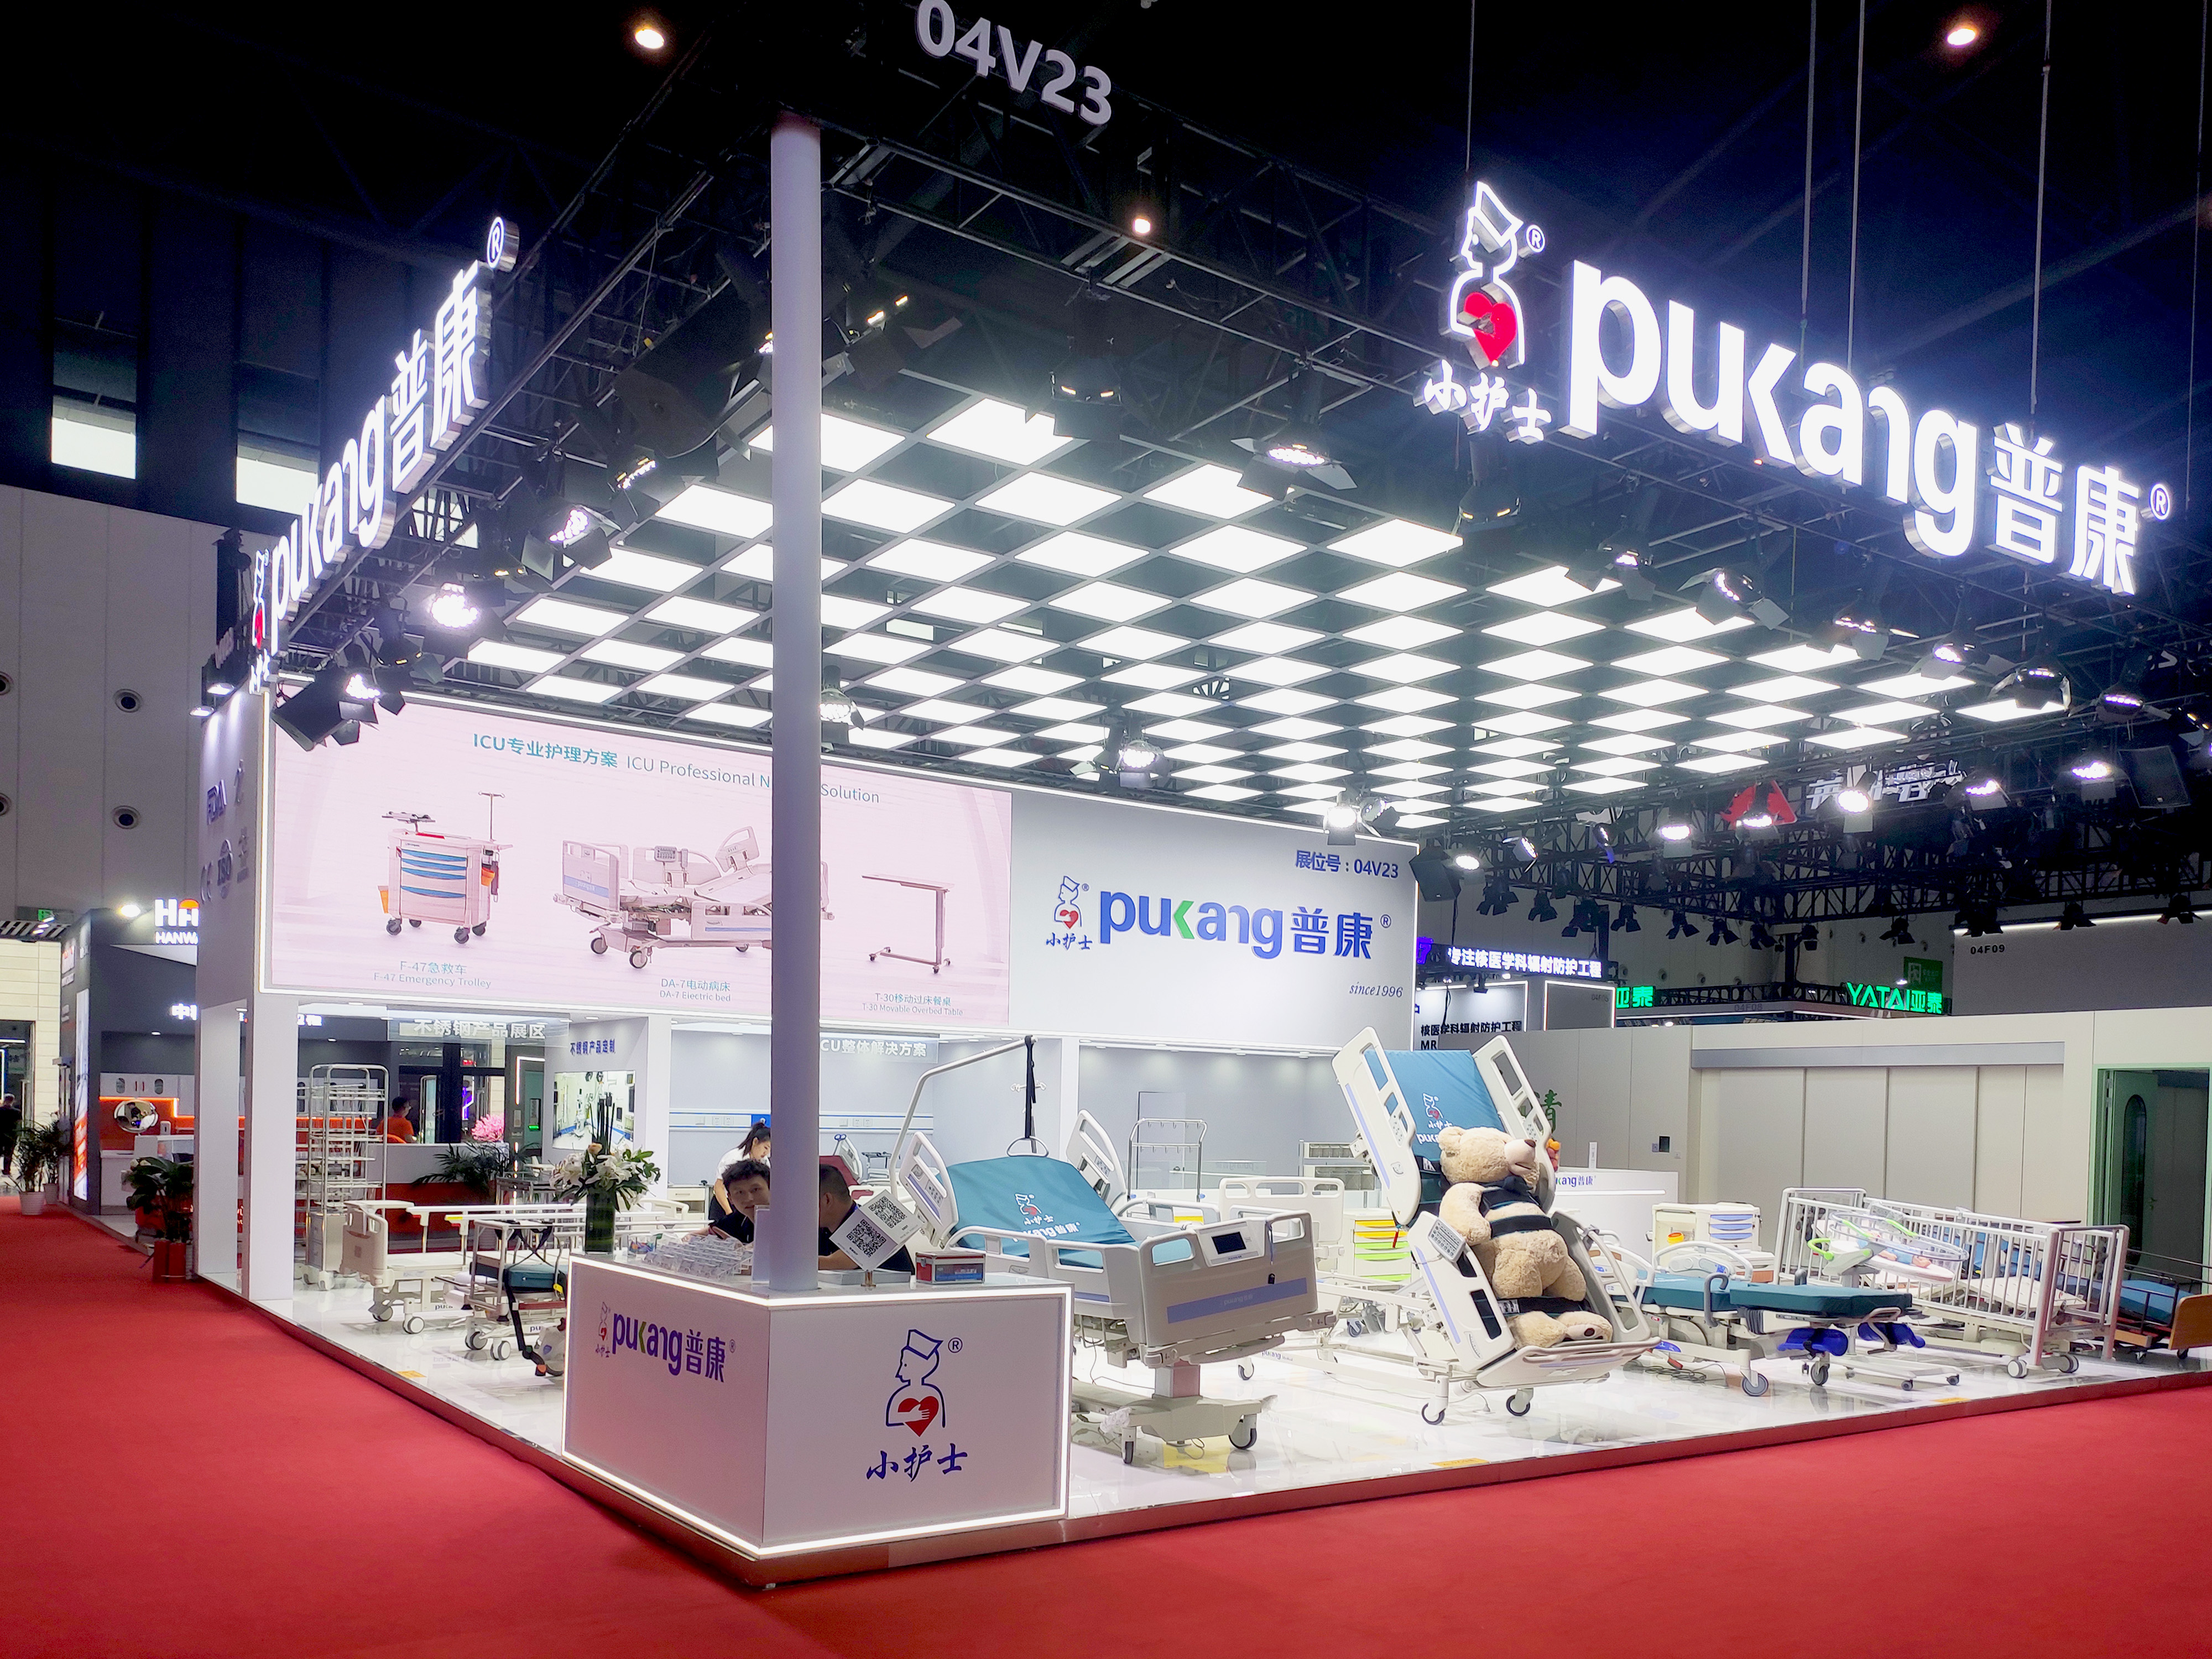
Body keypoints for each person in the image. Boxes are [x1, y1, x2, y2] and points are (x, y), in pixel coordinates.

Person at [818, 1162, 912, 1273]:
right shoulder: (824, 1229)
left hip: (893, 1284)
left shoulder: (875, 1225)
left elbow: (836, 1262)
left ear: (827, 1200)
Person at [706, 1157, 770, 1244]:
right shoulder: (738, 1221)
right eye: (740, 1192)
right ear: (730, 1198)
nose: (749, 1198)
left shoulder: (786, 1221)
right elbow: (713, 1230)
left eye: (755, 1190)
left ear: (771, 1189)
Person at [0, 1093, 19, 1179]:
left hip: (0, 1135)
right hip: (11, 1136)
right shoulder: (17, 1112)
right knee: (9, 1154)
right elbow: (19, 1125)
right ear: (13, 1101)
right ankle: (6, 1170)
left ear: (4, 1100)